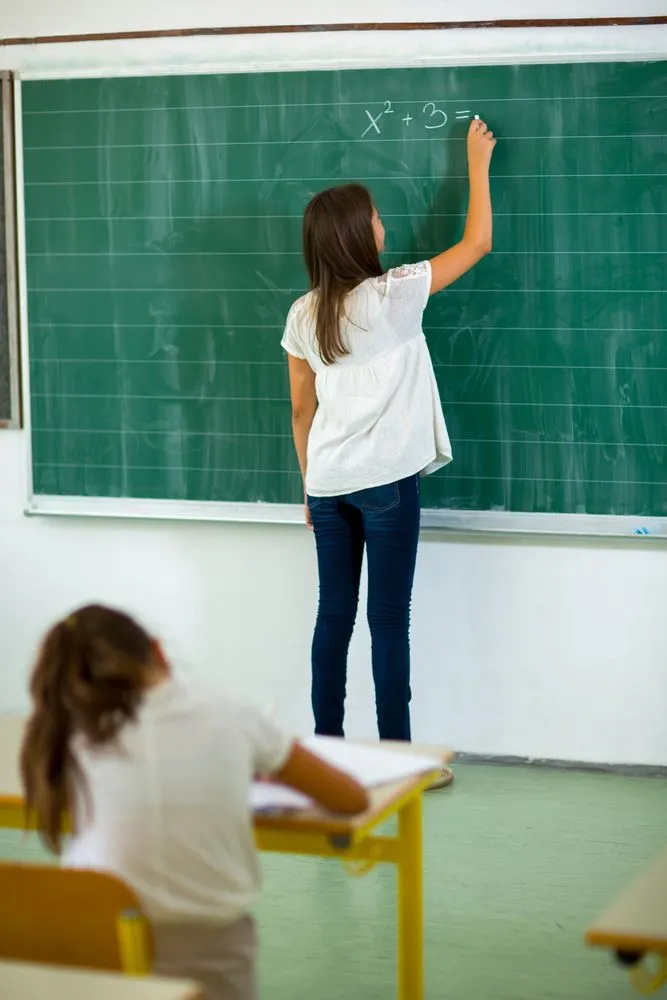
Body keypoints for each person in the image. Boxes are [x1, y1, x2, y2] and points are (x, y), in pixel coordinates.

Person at [282, 118, 496, 785]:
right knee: (386, 622)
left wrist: (310, 488)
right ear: (354, 234)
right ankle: (400, 763)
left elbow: (300, 409)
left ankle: (323, 752)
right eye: (374, 218)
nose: (381, 226)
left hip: (329, 483)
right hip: (385, 485)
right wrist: (475, 164)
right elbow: (478, 243)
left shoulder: (301, 313)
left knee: (333, 615)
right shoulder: (395, 295)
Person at [20, 604, 368, 1000]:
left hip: (93, 962)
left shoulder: (61, 738)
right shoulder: (230, 713)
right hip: (213, 965)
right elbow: (351, 799)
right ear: (159, 651)